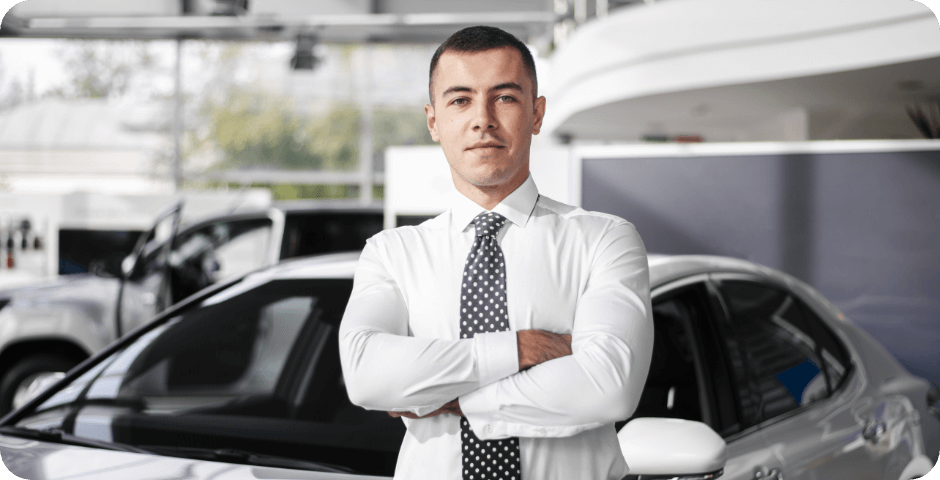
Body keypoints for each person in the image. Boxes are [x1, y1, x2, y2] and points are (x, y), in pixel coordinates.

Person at [339, 25, 653, 480]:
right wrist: (517, 349)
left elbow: (609, 388)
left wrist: (448, 397)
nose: (482, 119)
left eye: (504, 97)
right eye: (460, 100)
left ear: (537, 113)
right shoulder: (391, 253)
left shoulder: (604, 240)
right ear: (434, 121)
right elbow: (368, 376)